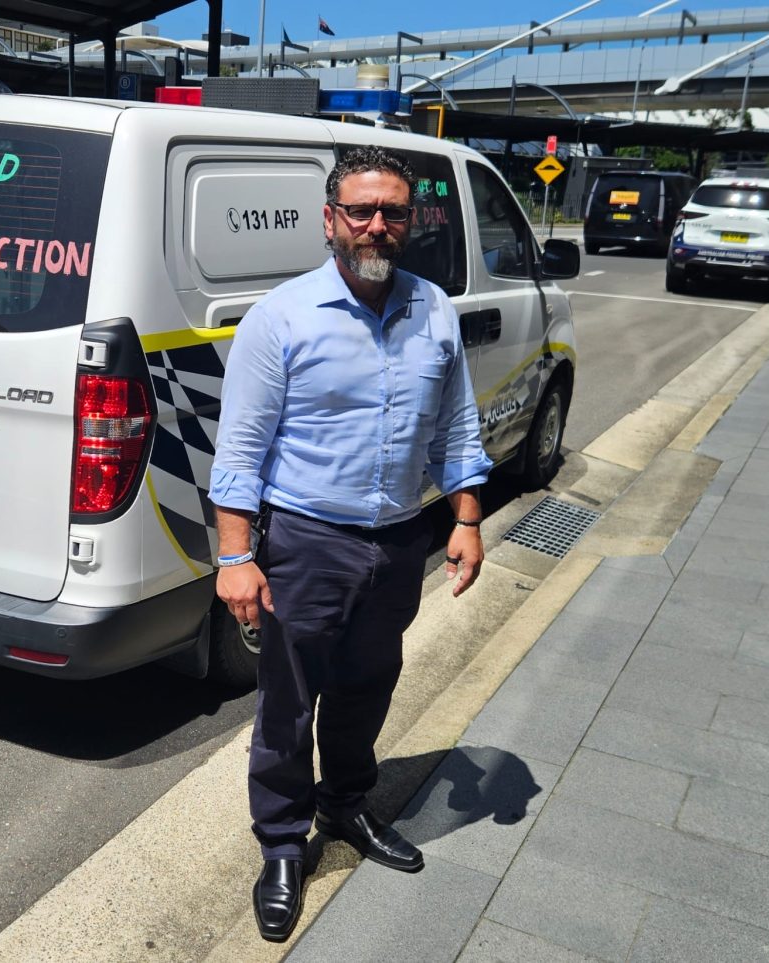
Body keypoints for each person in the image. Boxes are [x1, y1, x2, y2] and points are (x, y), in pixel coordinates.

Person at [209, 145, 492, 943]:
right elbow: (240, 449)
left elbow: (457, 425)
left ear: (411, 221)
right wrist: (236, 558)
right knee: (289, 702)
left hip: (400, 540)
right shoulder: (283, 317)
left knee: (370, 682)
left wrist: (467, 519)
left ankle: (346, 806)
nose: (377, 225)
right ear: (329, 220)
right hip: (306, 539)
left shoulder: (433, 308)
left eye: (392, 211)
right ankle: (282, 845)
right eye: (361, 210)